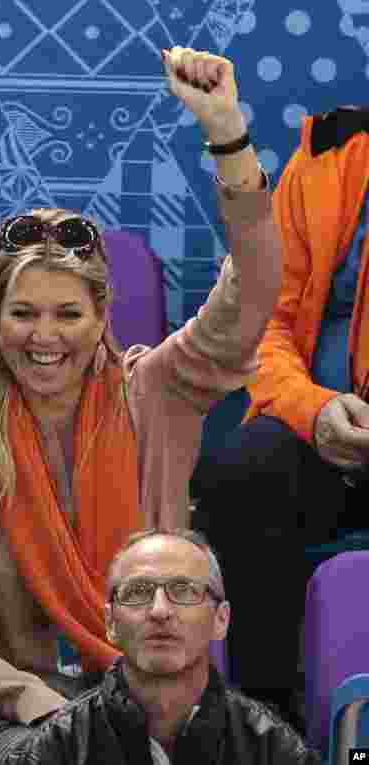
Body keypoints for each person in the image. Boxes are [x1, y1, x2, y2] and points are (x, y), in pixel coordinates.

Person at [0, 47, 282, 727]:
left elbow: (256, 289)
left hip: (158, 696)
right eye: (23, 313)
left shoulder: (159, 395)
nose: (44, 336)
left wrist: (227, 135)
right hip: (18, 717)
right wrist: (57, 717)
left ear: (102, 316)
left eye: (68, 313)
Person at [191, 105, 369, 730]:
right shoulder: (329, 158)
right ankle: (266, 723)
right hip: (324, 437)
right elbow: (267, 318)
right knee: (241, 472)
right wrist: (313, 410)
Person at [0, 530, 321, 765]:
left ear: (221, 619)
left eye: (184, 591)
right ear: (111, 624)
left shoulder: (270, 747)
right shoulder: (61, 746)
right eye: (137, 593)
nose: (160, 611)